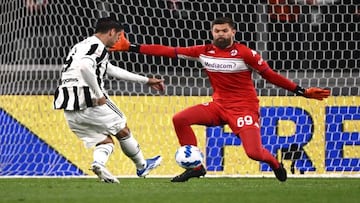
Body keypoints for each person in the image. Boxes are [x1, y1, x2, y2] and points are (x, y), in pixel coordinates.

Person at [110, 16, 330, 182]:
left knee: (254, 153)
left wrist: (301, 91)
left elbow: (270, 75)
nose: (220, 34)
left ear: (233, 32)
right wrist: (132, 47)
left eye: (225, 31)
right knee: (180, 119)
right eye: (217, 31)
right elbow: (169, 51)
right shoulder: (203, 52)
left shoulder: (246, 54)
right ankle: (196, 167)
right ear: (212, 33)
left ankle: (274, 163)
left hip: (244, 109)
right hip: (218, 106)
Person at [54, 17, 164, 183]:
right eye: (119, 36)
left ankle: (99, 164)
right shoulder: (97, 46)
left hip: (68, 104)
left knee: (104, 141)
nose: (119, 40)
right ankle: (142, 165)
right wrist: (99, 94)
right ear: (112, 32)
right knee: (123, 130)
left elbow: (111, 69)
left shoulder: (81, 46)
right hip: (89, 98)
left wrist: (146, 81)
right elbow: (85, 67)